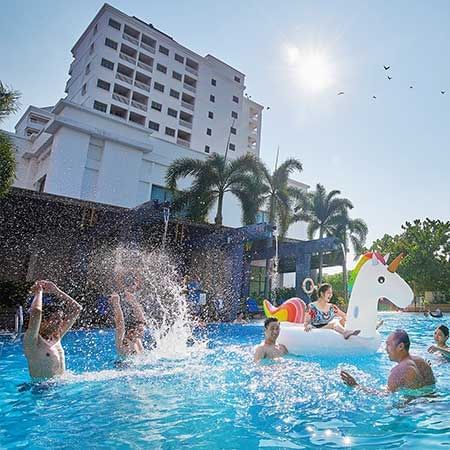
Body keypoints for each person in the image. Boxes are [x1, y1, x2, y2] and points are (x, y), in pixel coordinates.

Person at [341, 329, 436, 393]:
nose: (386, 349)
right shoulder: (421, 361)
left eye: (388, 345)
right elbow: (431, 386)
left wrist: (356, 386)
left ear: (401, 346)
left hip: (414, 411)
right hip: (432, 403)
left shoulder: (399, 371)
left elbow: (384, 395)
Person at [23, 280, 82, 379]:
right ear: (42, 322)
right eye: (55, 320)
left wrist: (56, 291)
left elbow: (77, 309)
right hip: (43, 390)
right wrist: (39, 292)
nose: (60, 323)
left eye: (60, 320)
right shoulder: (32, 341)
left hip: (61, 387)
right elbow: (37, 312)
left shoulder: (56, 337)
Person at [110, 290, 146, 357]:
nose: (137, 333)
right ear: (128, 332)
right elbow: (119, 323)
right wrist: (116, 304)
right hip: (124, 367)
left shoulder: (137, 340)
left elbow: (142, 321)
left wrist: (133, 302)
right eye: (134, 332)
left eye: (138, 331)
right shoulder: (122, 342)